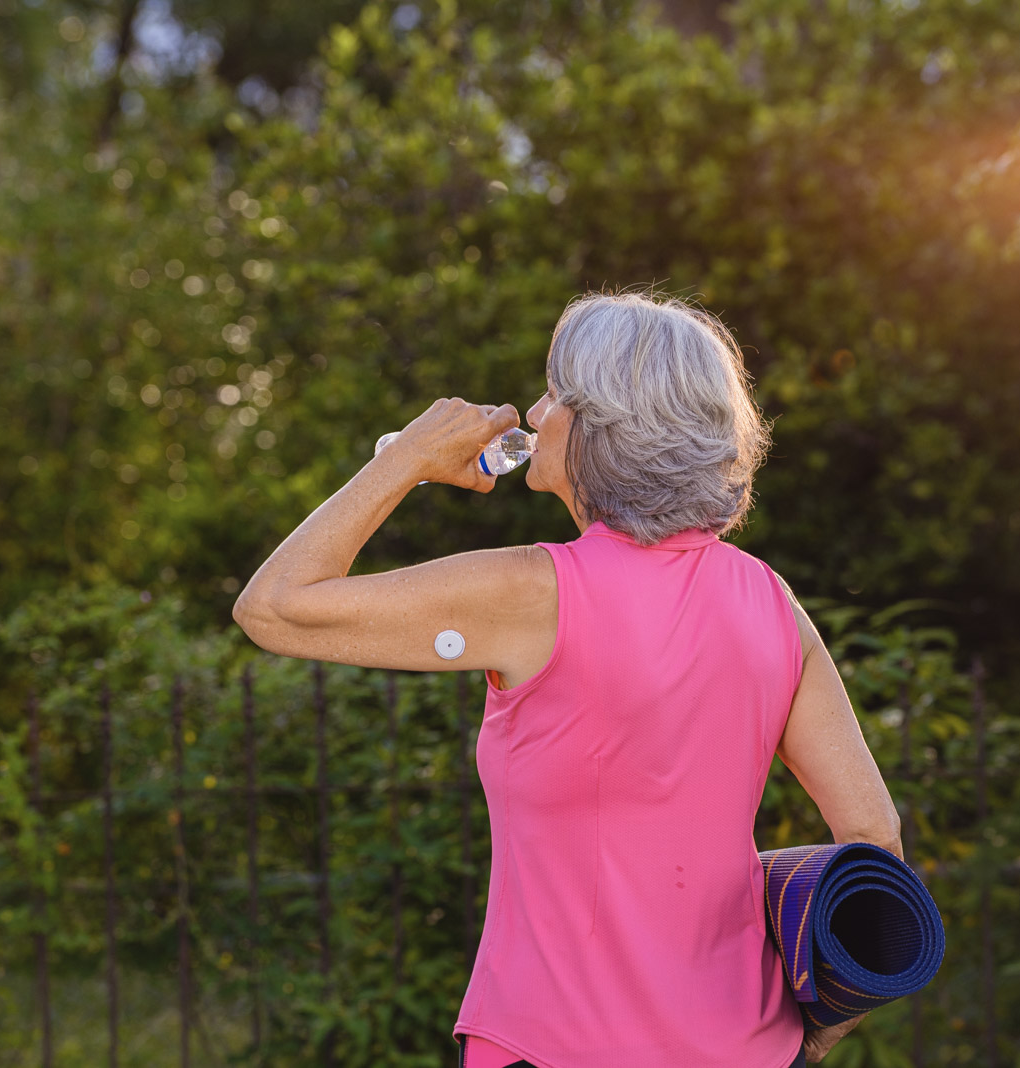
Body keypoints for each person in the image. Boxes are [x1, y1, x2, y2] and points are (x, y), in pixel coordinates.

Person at [232, 291, 904, 1067]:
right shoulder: (772, 603)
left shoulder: (534, 595)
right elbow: (875, 839)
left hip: (552, 1048)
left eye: (555, 393)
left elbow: (274, 608)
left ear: (598, 423)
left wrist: (404, 460)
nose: (538, 411)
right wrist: (819, 1027)